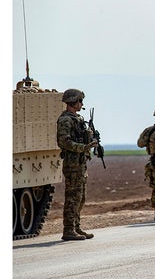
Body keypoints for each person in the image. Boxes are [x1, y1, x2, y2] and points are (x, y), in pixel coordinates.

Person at [56, 88, 98, 240]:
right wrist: (83, 147)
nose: (81, 104)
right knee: (72, 197)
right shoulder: (65, 120)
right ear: (73, 101)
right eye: (80, 101)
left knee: (80, 197)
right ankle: (68, 230)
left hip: (80, 164)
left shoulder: (78, 119)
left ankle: (76, 227)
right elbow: (63, 142)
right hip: (72, 165)